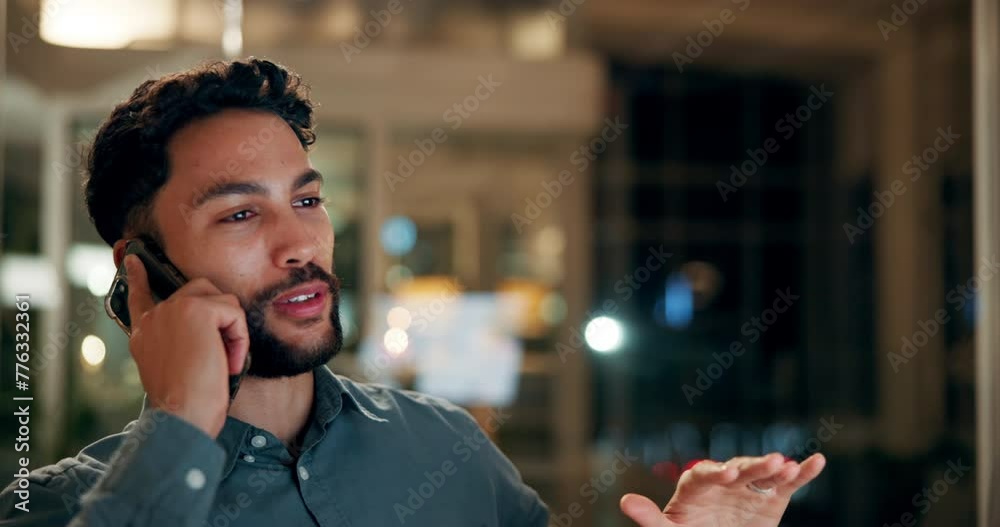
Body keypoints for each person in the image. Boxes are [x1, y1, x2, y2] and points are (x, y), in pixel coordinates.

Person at [0, 58, 825, 526]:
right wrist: (178, 430)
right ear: (140, 270)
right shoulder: (53, 506)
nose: (301, 244)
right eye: (243, 212)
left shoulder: (446, 447)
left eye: (309, 200)